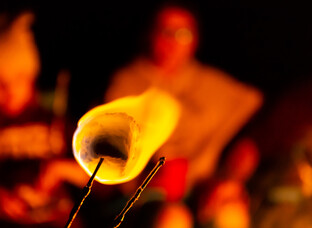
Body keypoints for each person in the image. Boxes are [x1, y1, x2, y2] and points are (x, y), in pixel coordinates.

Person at [0, 12, 87, 228]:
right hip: (1, 226)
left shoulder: (53, 122)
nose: (9, 89)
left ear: (31, 79)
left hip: (56, 223)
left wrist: (60, 168)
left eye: (18, 78)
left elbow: (98, 176)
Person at [105, 6, 263, 196]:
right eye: (166, 32)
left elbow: (254, 106)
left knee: (231, 214)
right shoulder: (127, 83)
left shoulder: (212, 84)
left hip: (202, 188)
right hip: (141, 192)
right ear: (150, 35)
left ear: (195, 40)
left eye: (183, 34)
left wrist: (224, 157)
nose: (174, 42)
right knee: (173, 221)